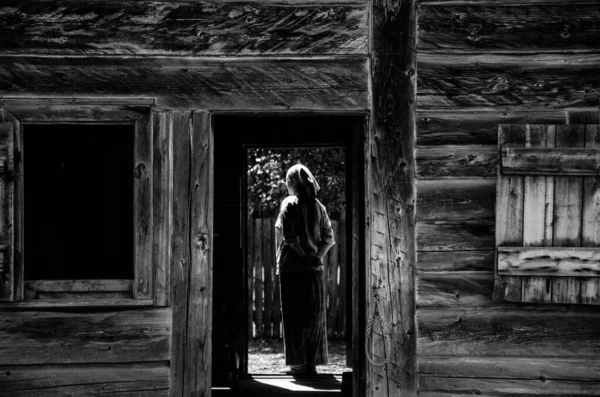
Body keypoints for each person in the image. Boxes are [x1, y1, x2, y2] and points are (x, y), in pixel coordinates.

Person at [275, 164, 336, 376]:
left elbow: (289, 238)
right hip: (314, 269)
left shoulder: (289, 204)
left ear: (292, 182)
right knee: (314, 317)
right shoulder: (319, 206)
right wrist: (315, 258)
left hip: (292, 268)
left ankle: (297, 365)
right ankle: (310, 364)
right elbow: (329, 239)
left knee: (294, 317)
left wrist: (303, 257)